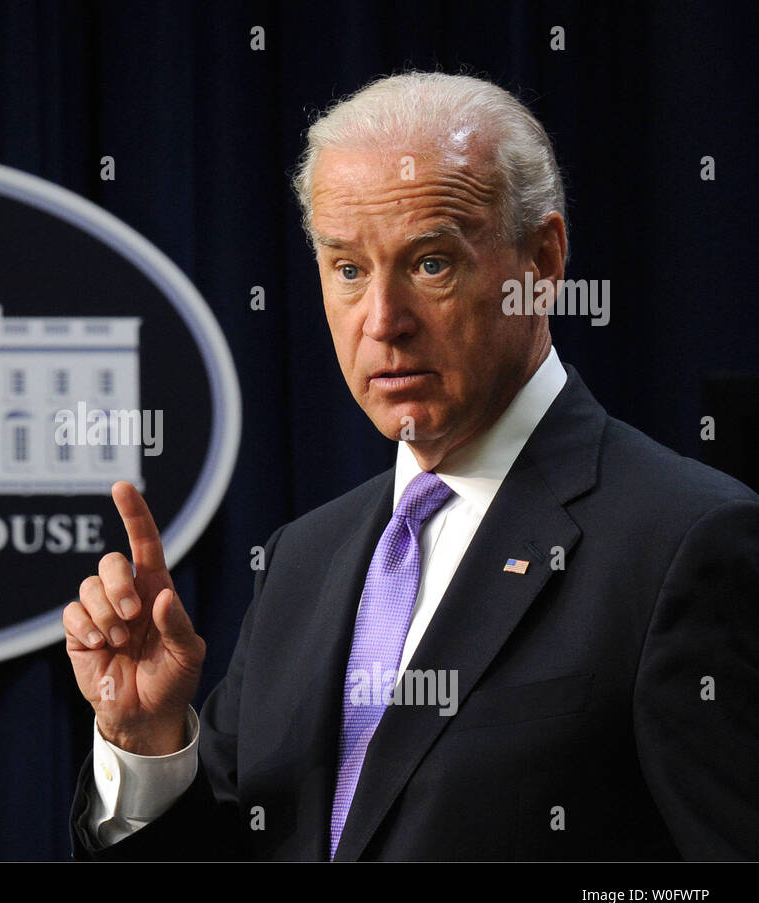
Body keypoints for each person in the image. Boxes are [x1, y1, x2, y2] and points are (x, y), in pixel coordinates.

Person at [62, 70, 759, 860]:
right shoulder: (302, 559)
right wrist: (148, 741)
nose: (383, 322)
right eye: (349, 269)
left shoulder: (685, 541)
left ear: (543, 261)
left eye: (431, 263)